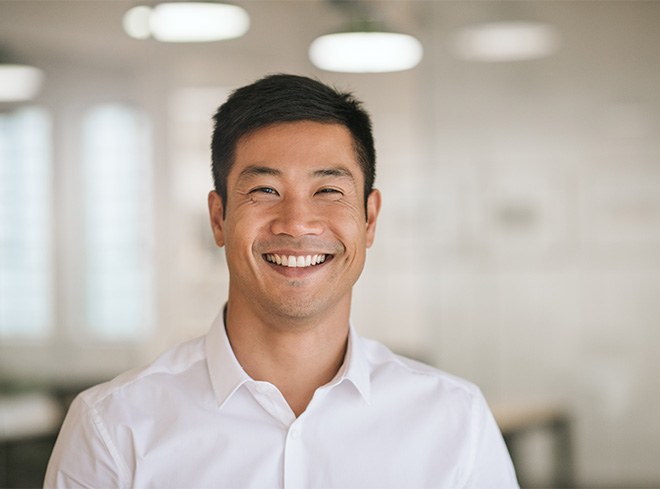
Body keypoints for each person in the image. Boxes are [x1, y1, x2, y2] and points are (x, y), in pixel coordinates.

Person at [45, 74, 518, 488]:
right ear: (219, 218)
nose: (296, 223)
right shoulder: (113, 425)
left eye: (329, 190)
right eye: (265, 191)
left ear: (370, 219)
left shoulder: (454, 418)